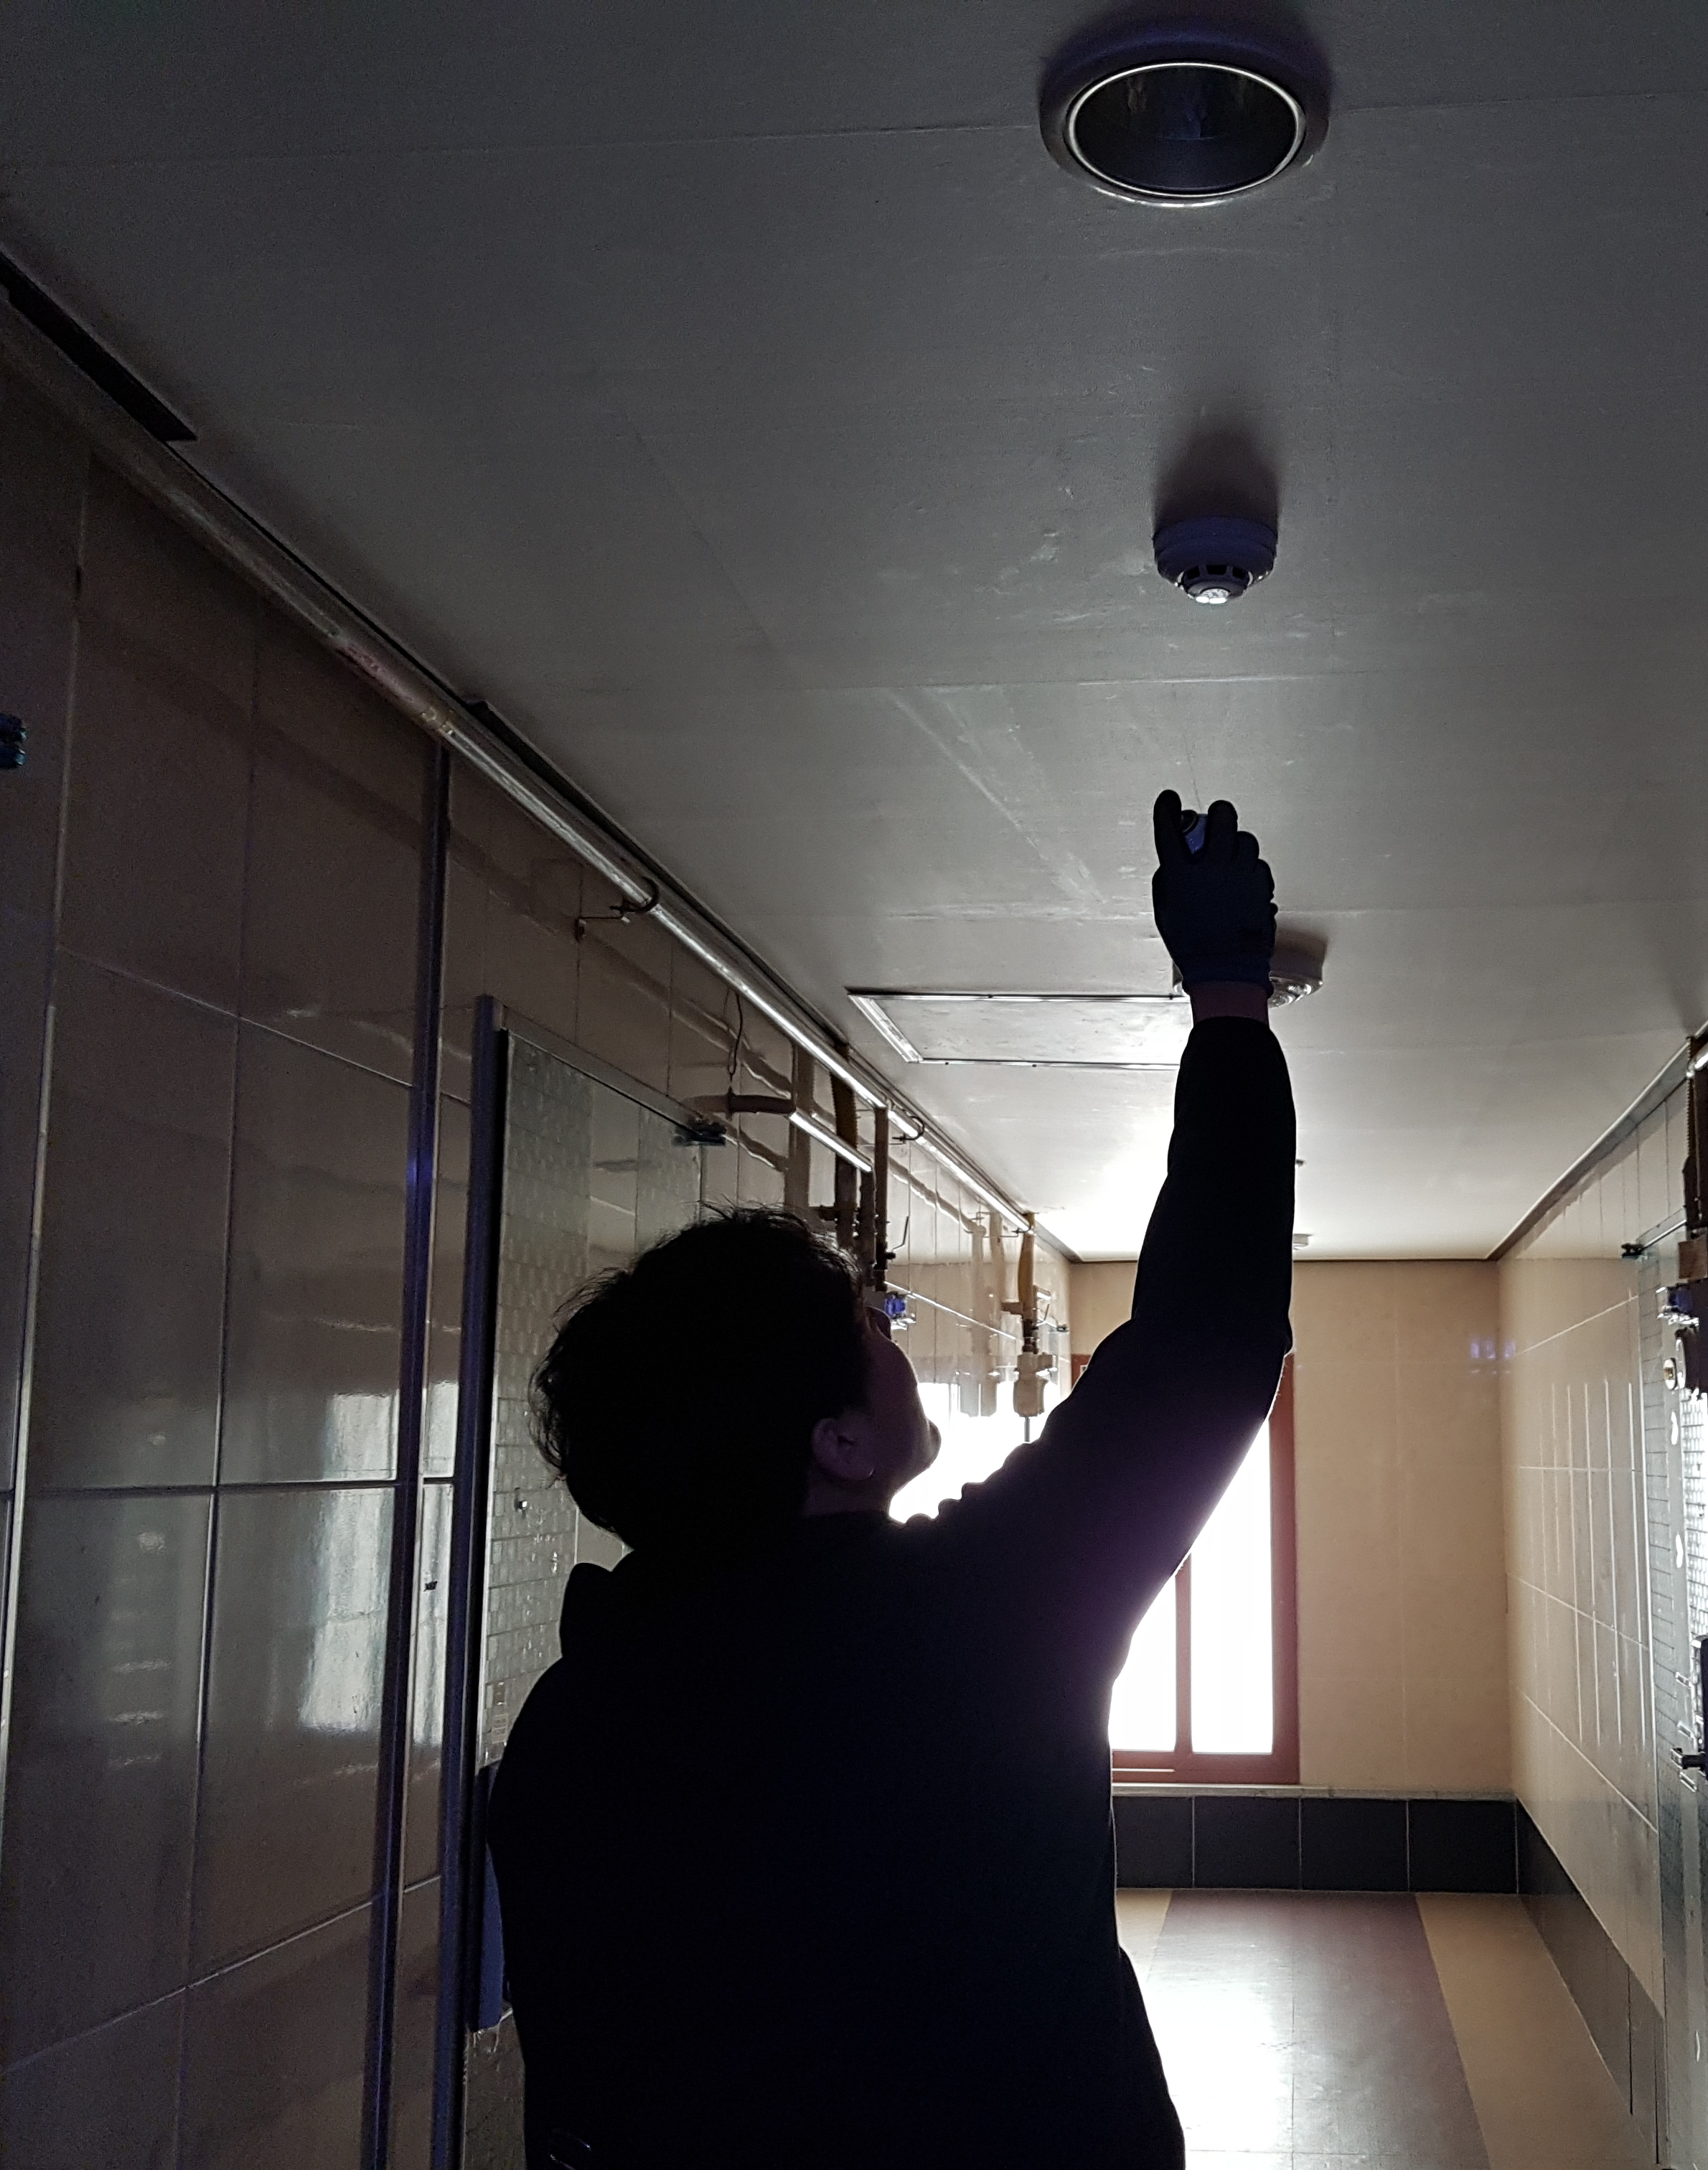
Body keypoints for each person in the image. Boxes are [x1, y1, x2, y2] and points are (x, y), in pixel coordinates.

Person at [489, 790, 1296, 2167]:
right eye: (868, 1328)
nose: (894, 1337)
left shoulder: (573, 1731)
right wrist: (1229, 1001)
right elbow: (1205, 1344)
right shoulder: (969, 1621)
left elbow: (583, 2108)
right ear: (839, 1444)